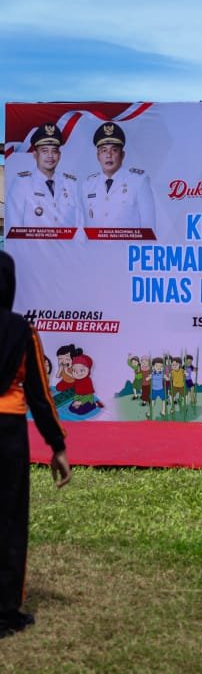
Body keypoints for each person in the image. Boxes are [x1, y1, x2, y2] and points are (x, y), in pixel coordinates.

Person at [0, 250, 72, 638]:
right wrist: (57, 446)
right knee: (9, 520)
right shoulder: (21, 331)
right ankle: (5, 610)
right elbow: (40, 396)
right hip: (7, 432)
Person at [83, 122, 156, 231]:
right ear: (98, 156)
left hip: (126, 248)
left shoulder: (138, 181)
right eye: (104, 150)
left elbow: (149, 229)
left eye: (114, 150)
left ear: (122, 155)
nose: (109, 155)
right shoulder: (88, 184)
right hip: (95, 248)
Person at [8, 123, 81, 228]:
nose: (50, 156)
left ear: (59, 155)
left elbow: (79, 226)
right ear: (35, 155)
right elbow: (13, 227)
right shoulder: (21, 183)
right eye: (45, 151)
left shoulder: (71, 183)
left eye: (54, 151)